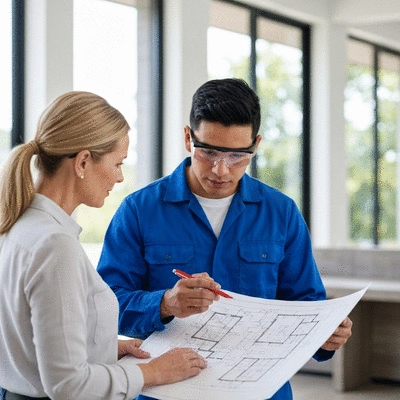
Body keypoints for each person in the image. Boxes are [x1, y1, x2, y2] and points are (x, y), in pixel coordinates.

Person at [97, 78, 353, 400]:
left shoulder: (281, 212)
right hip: (165, 391)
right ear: (189, 138)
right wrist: (164, 303)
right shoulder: (138, 210)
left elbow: (306, 305)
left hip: (261, 391)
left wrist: (325, 334)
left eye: (237, 156)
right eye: (209, 152)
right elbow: (104, 310)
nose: (221, 169)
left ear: (256, 145)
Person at [0, 91, 207, 400]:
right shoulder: (55, 245)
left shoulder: (18, 226)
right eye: (117, 163)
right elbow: (68, 386)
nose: (120, 177)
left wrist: (100, 348)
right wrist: (155, 372)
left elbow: (28, 341)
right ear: (83, 161)